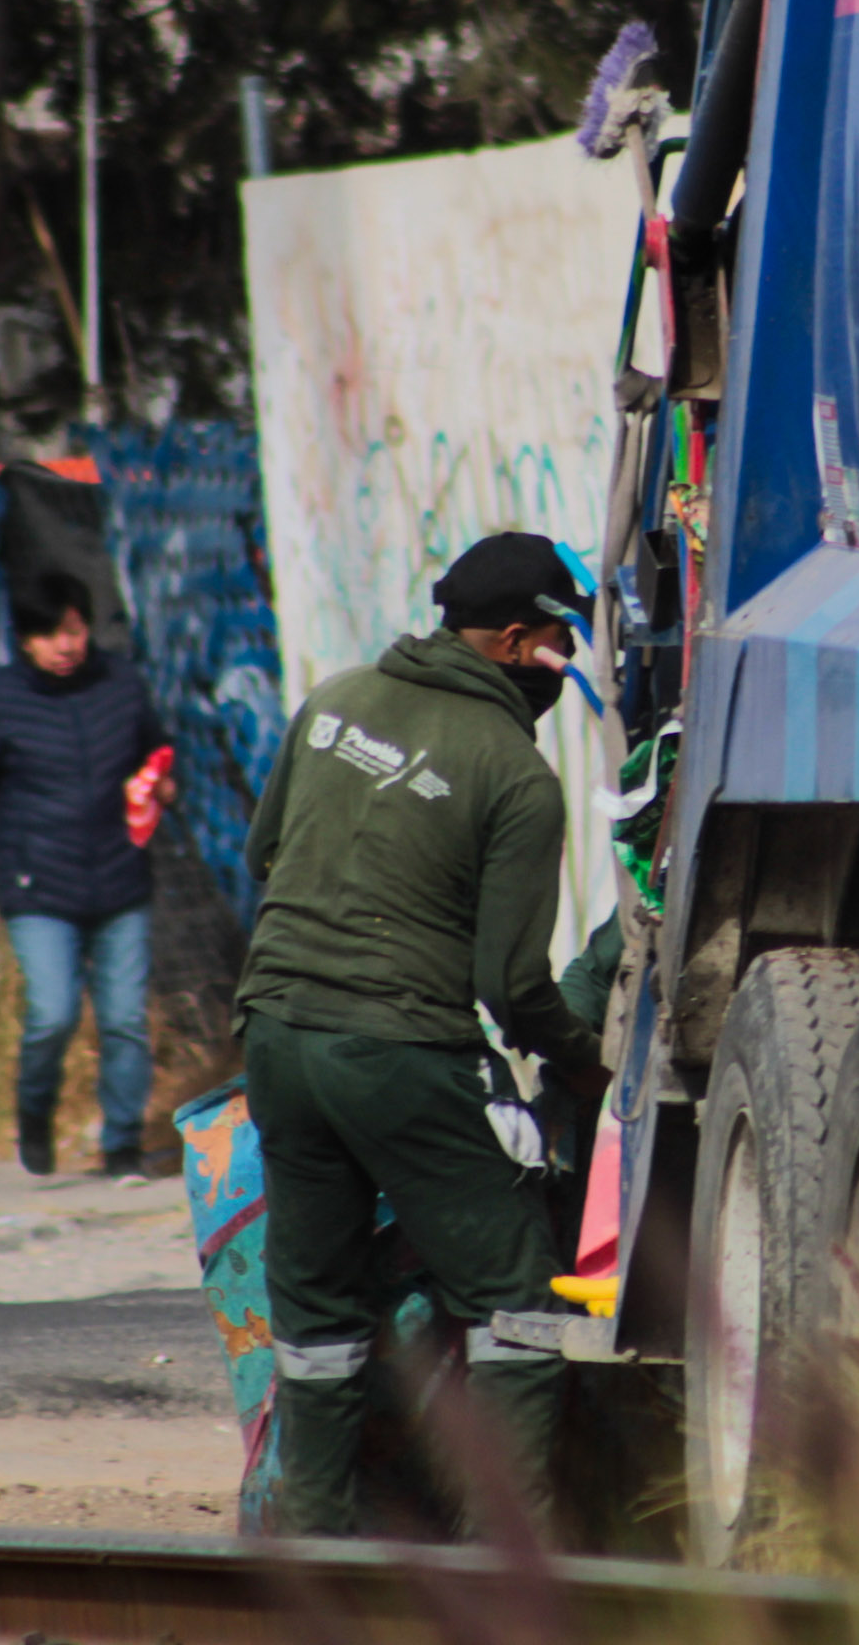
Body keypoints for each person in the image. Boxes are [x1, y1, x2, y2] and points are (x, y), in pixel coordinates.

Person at [236, 531, 609, 1537]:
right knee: (514, 1297)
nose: (566, 668)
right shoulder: (517, 775)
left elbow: (264, 852)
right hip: (399, 1051)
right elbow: (510, 982)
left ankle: (313, 1546)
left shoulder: (336, 701)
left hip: (274, 1033)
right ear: (516, 640)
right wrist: (582, 1055)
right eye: (560, 645)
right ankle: (505, 1552)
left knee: (316, 1313)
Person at [0, 571, 171, 1180]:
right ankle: (35, 1114)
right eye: (49, 635)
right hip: (38, 885)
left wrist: (161, 784)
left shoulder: (121, 683)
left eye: (74, 630)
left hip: (120, 876)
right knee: (54, 1013)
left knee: (123, 1020)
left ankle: (122, 1145)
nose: (65, 645)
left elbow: (156, 752)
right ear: (25, 641)